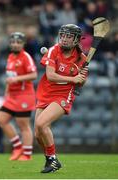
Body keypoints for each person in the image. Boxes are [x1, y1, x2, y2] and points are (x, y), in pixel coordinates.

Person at [35, 24, 88, 173]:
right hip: (45, 92)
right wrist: (74, 79)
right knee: (38, 134)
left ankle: (53, 160)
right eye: (63, 35)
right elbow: (51, 76)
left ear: (76, 39)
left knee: (41, 123)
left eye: (69, 36)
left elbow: (81, 83)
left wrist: (81, 78)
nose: (64, 39)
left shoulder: (82, 59)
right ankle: (50, 160)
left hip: (63, 95)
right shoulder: (53, 50)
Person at [0, 32, 37, 161]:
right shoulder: (10, 57)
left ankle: (27, 154)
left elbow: (34, 75)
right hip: (12, 95)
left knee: (23, 125)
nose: (15, 44)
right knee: (1, 119)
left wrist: (17, 79)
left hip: (24, 95)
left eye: (18, 42)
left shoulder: (26, 57)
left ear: (23, 44)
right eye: (13, 42)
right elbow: (10, 78)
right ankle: (18, 147)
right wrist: (6, 93)